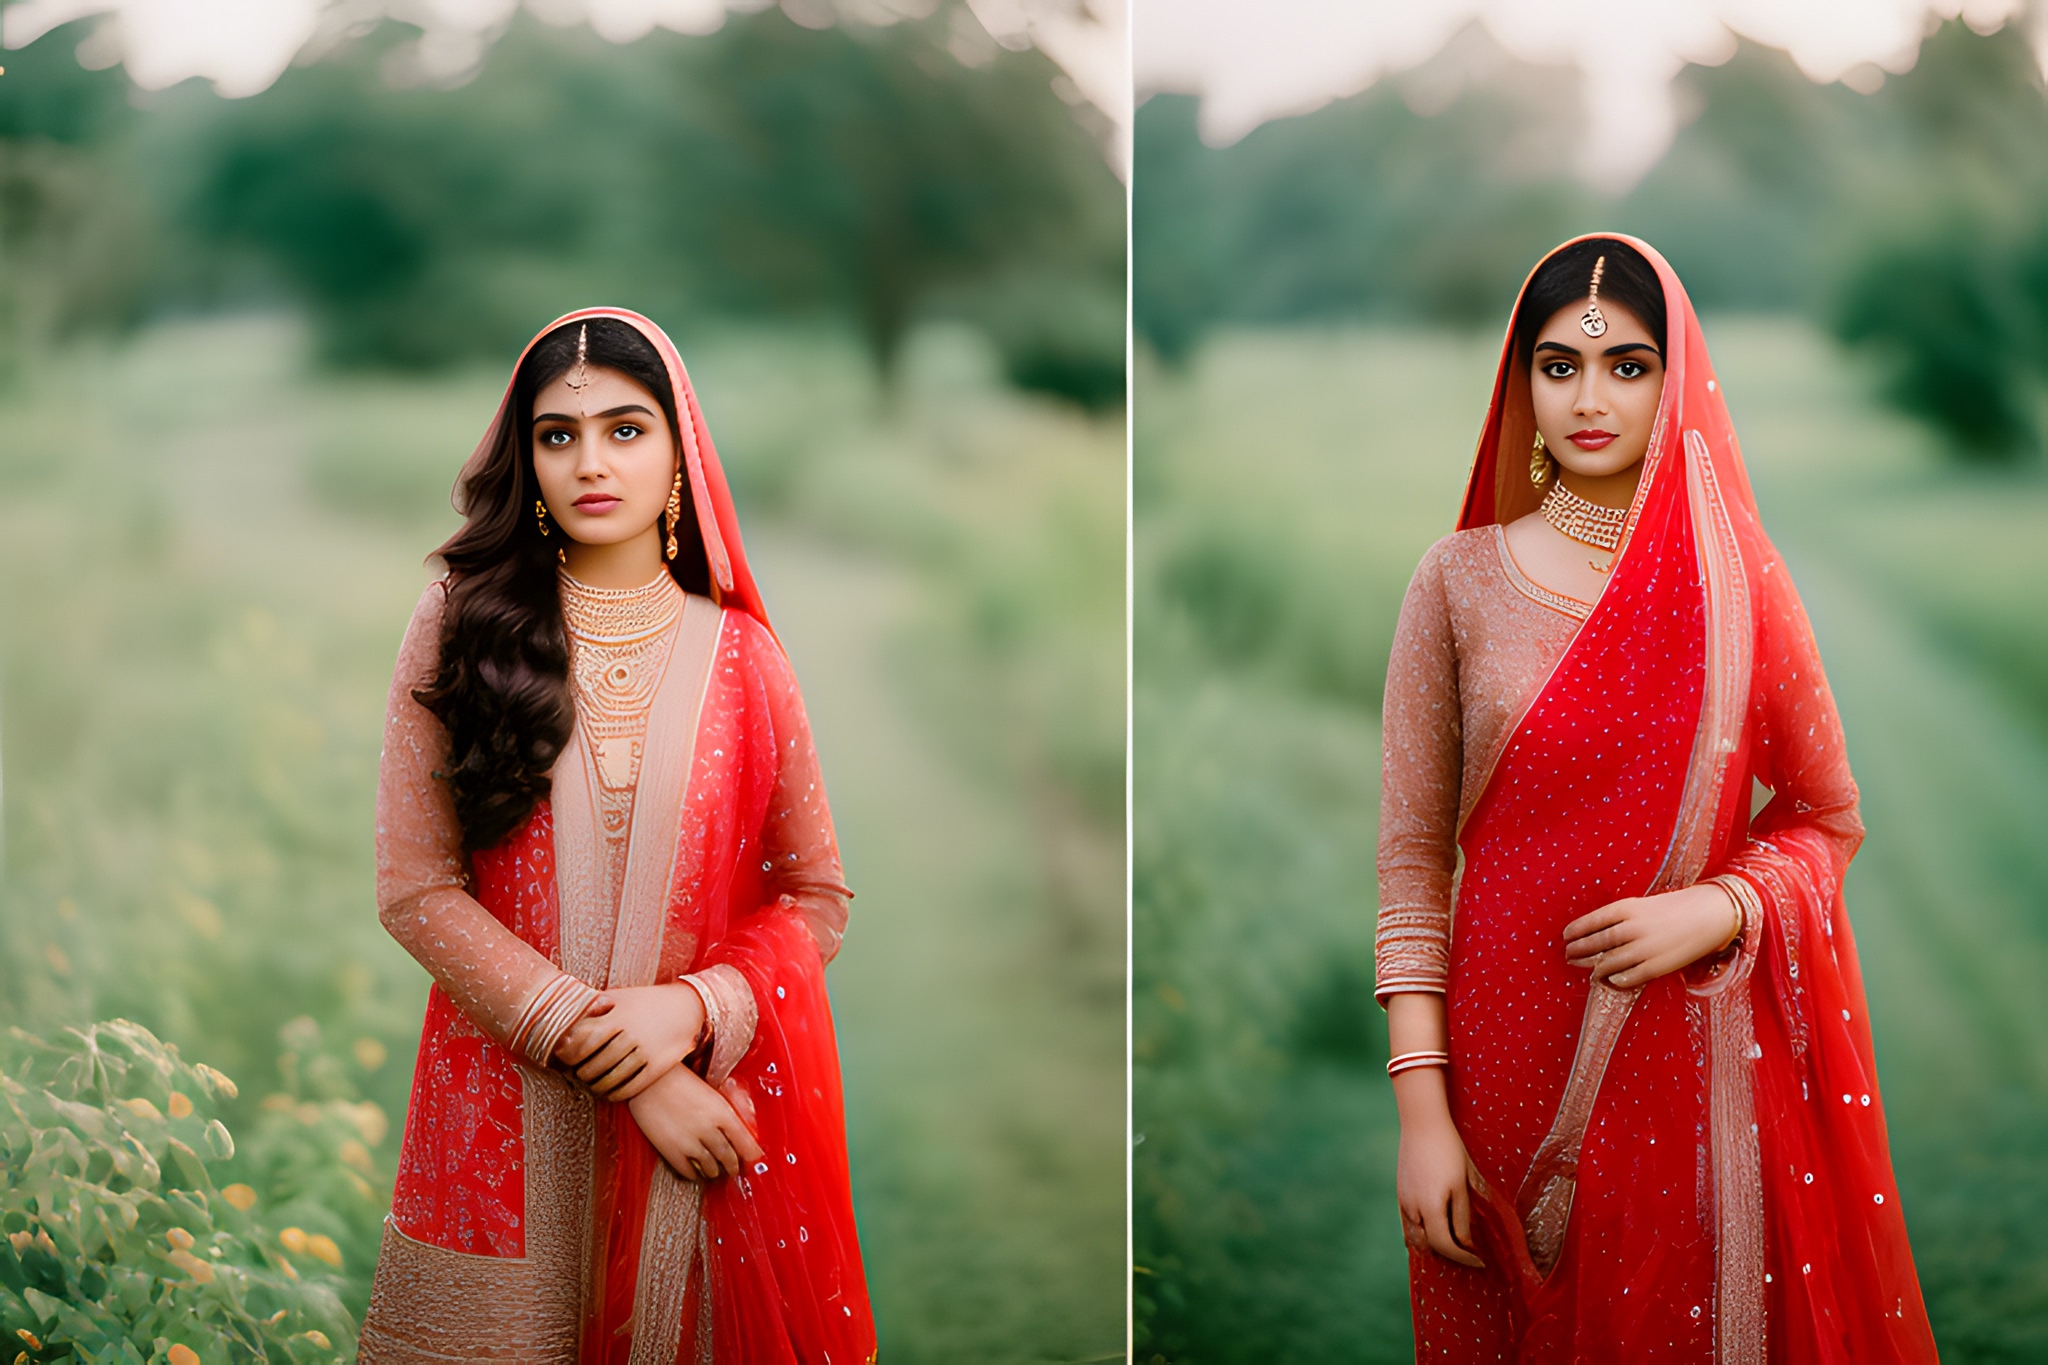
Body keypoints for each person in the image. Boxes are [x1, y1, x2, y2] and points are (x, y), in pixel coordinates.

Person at [1374, 235, 1938, 1362]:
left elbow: (1826, 816)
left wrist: (1720, 909)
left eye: (1627, 366)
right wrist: (1421, 1115)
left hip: (1684, 1052)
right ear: (1519, 383)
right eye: (1557, 365)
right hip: (1496, 1063)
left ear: (1673, 379)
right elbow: (1407, 862)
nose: (1589, 398)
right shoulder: (1456, 580)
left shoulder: (1736, 590)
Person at [358, 309, 874, 1364]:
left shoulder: (743, 659)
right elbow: (414, 888)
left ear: (680, 447)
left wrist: (691, 1009)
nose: (590, 461)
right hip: (502, 1107)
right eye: (558, 434)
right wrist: (638, 1073)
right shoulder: (461, 622)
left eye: (625, 429)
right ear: (528, 456)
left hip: (697, 1127)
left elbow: (814, 895)